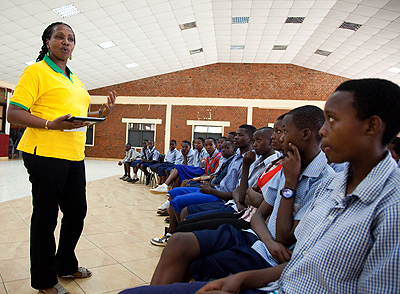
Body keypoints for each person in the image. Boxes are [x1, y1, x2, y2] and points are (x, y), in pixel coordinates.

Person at [119, 78, 400, 294]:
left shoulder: (390, 208)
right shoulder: (338, 184)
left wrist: (288, 185)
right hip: (271, 277)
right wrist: (243, 279)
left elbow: (284, 237)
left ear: (371, 126)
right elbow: (295, 260)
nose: (323, 130)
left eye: (333, 120)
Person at [7, 22, 116, 294]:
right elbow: (13, 113)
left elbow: (73, 119)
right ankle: (44, 280)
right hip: (44, 153)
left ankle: (65, 264)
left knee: (77, 212)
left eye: (70, 39)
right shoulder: (37, 71)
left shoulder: (74, 77)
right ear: (47, 42)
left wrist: (99, 115)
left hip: (73, 154)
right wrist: (49, 124)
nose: (65, 42)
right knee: (46, 218)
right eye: (59, 37)